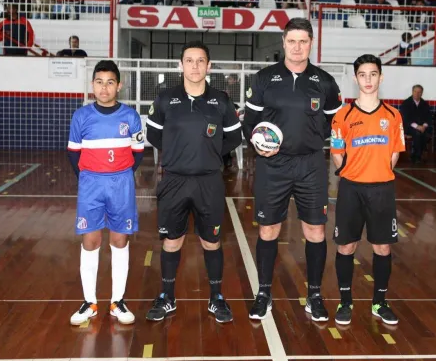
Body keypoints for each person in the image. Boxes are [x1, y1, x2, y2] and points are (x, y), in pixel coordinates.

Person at [242, 18, 342, 322]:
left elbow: (332, 124)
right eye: (292, 41)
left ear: (311, 44)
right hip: (273, 164)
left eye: (303, 41)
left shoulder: (324, 81)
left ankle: (314, 296)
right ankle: (264, 294)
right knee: (269, 229)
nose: (297, 47)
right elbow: (250, 122)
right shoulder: (264, 79)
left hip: (311, 164)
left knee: (315, 230)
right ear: (283, 43)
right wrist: (258, 144)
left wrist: (311, 139)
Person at [145, 41, 242, 323]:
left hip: (209, 182)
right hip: (174, 181)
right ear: (181, 65)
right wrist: (178, 152)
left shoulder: (221, 101)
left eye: (201, 61)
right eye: (190, 60)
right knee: (171, 241)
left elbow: (234, 138)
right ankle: (167, 297)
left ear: (209, 66)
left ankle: (216, 298)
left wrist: (208, 153)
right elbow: (154, 136)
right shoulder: (165, 99)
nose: (195, 66)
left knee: (211, 241)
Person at [67, 60, 144, 326]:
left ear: (118, 85)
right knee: (90, 241)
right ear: (92, 85)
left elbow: (138, 153)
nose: (104, 87)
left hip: (122, 184)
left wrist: (120, 176)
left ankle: (117, 302)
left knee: (120, 240)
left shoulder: (131, 116)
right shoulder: (81, 117)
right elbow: (73, 154)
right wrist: (91, 178)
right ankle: (89, 302)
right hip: (91, 185)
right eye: (99, 82)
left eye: (110, 82)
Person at [330, 54, 405, 326]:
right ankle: (345, 301)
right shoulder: (343, 115)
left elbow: (395, 152)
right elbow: (337, 153)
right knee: (347, 245)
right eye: (363, 74)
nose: (368, 79)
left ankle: (379, 302)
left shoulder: (393, 115)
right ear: (355, 78)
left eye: (373, 74)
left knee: (382, 246)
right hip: (351, 189)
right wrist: (352, 172)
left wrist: (378, 171)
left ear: (381, 77)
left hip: (382, 190)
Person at [399, 84, 431, 164]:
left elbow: (428, 117)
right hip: (409, 127)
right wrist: (417, 126)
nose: (417, 94)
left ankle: (416, 154)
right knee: (417, 133)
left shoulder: (425, 104)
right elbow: (406, 118)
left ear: (422, 93)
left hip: (422, 127)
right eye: (415, 92)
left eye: (419, 92)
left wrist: (424, 126)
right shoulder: (406, 103)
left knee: (426, 133)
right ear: (412, 92)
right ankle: (417, 156)